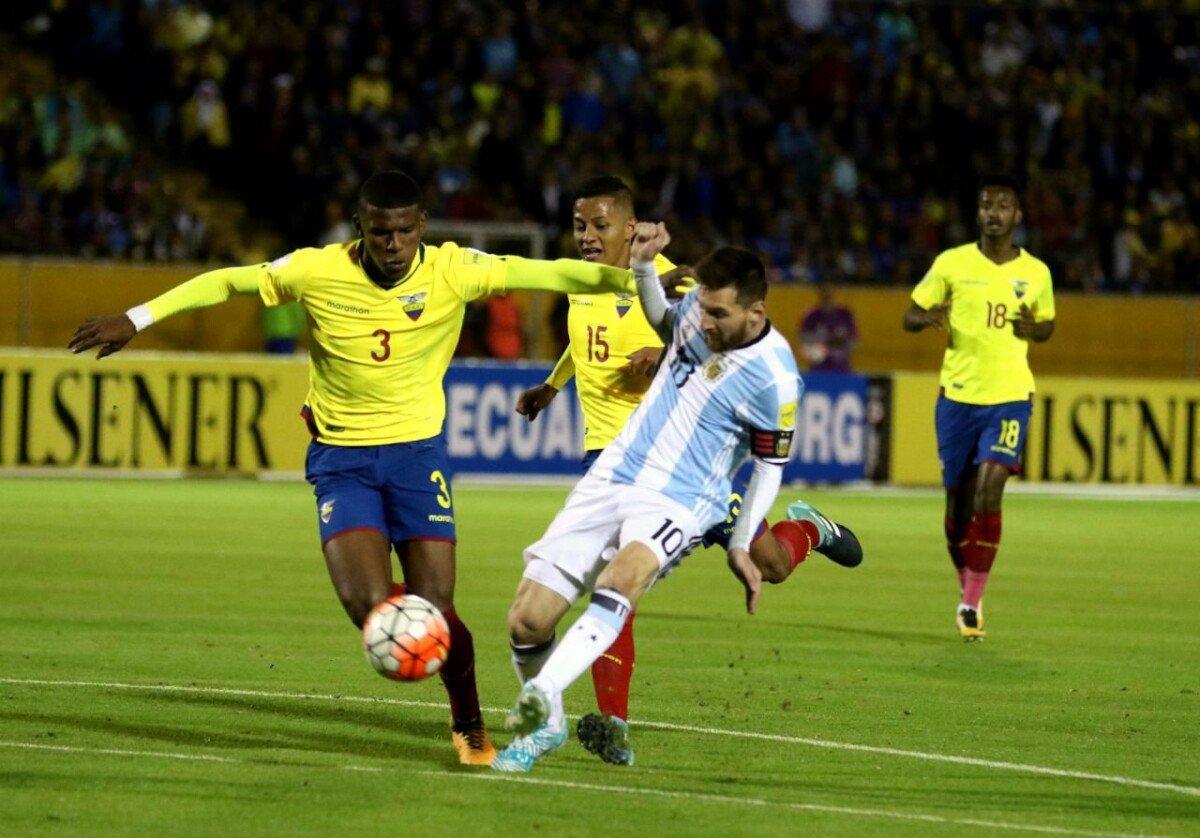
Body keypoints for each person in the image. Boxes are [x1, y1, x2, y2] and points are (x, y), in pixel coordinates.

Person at [67, 170, 636, 765]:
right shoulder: (316, 269)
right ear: (360, 226)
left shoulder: (452, 269)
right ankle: (441, 680)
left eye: (405, 232)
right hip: (343, 462)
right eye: (381, 232)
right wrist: (137, 317)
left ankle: (467, 720)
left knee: (435, 610)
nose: (393, 245)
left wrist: (646, 276)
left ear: (422, 228)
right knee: (369, 607)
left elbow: (552, 273)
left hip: (418, 458)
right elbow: (230, 282)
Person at [513, 177, 857, 768]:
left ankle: (810, 531)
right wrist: (553, 383)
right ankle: (612, 721)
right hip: (612, 455)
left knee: (770, 563)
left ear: (629, 227)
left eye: (600, 226)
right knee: (618, 585)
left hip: (692, 467)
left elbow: (723, 348)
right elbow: (584, 342)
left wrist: (668, 350)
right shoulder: (580, 283)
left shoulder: (682, 282)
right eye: (580, 226)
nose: (588, 237)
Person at [902, 174, 1056, 641]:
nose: (994, 212)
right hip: (958, 399)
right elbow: (910, 313)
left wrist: (1035, 328)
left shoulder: (1036, 273)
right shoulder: (952, 263)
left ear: (1017, 216)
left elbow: (1048, 326)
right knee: (958, 506)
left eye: (1003, 205)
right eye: (987, 204)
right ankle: (967, 582)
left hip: (1009, 397)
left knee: (990, 490)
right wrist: (925, 317)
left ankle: (972, 602)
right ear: (978, 214)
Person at [798, 278, 858, 373]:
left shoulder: (845, 314)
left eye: (831, 288)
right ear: (819, 291)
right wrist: (827, 343)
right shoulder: (811, 316)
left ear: (836, 290)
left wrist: (842, 344)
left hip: (842, 369)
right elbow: (804, 343)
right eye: (824, 289)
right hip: (818, 370)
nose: (828, 293)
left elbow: (853, 341)